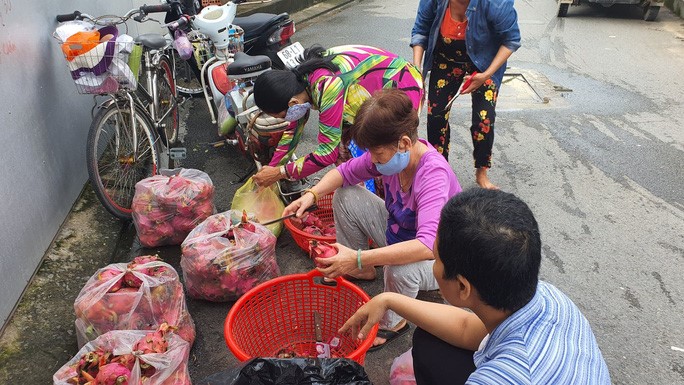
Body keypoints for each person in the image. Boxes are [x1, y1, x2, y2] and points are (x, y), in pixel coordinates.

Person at [340, 188, 611, 384]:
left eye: (436, 258)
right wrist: (388, 299)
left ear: (462, 287)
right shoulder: (551, 299)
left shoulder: (499, 378)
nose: (433, 263)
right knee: (429, 340)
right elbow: (468, 328)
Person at [283, 89, 461, 351]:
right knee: (345, 195)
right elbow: (344, 173)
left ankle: (394, 322)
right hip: (398, 232)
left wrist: (356, 256)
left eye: (377, 156)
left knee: (399, 269)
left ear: (404, 144)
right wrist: (310, 195)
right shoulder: (391, 157)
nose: (374, 163)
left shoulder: (433, 174)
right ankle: (362, 271)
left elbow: (426, 246)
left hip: (439, 260)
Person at [250, 44, 424, 191]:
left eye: (283, 115)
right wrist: (271, 170)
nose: (287, 119)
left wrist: (281, 172)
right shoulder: (299, 83)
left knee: (388, 153)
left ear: (292, 102)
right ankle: (362, 197)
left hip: (401, 85)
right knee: (346, 152)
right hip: (368, 95)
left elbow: (327, 153)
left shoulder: (326, 85)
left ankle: (388, 203)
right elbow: (292, 132)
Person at [411, 0, 521, 189]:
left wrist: (486, 75)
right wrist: (417, 70)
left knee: (483, 119)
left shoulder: (496, 3)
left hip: (484, 64)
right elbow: (421, 31)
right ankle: (440, 168)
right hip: (446, 60)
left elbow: (511, 40)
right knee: (436, 116)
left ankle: (481, 173)